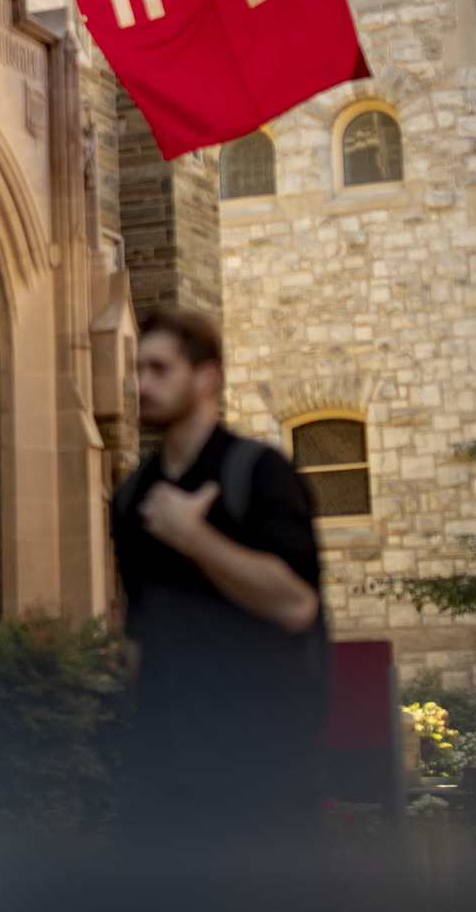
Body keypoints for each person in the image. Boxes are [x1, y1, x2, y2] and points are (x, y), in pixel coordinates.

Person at [109, 307, 328, 844]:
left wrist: (193, 537)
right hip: (162, 776)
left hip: (263, 772)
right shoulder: (132, 497)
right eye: (138, 370)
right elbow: (139, 632)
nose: (142, 385)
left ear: (207, 378)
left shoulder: (258, 473)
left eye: (160, 370)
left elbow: (297, 605)